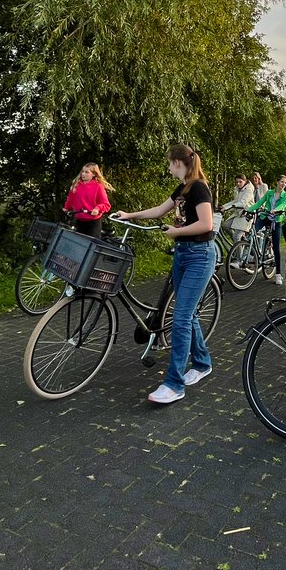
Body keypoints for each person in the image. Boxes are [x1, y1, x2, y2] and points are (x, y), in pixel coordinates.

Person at [114, 144, 214, 405]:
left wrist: (176, 232)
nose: (168, 168)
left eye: (170, 163)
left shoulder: (199, 187)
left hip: (199, 256)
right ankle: (202, 363)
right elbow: (159, 210)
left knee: (180, 318)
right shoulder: (182, 189)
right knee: (187, 315)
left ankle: (174, 384)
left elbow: (207, 224)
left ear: (179, 163)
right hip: (183, 254)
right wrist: (129, 215)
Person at [247, 174, 286, 285]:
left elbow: (283, 206)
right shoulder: (269, 193)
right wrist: (248, 210)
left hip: (276, 220)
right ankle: (250, 254)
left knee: (276, 247)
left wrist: (276, 210)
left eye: (285, 183)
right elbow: (259, 203)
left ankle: (278, 274)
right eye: (282, 182)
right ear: (277, 182)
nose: (283, 185)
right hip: (265, 217)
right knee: (252, 232)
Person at [65, 163, 113, 238]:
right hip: (79, 220)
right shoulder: (76, 185)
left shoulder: (98, 187)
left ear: (93, 174)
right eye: (82, 171)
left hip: (93, 221)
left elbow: (106, 204)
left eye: (87, 172)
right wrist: (66, 208)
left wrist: (97, 208)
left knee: (92, 244)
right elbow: (70, 200)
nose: (83, 174)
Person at [221, 174, 255, 243]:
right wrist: (224, 206)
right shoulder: (236, 189)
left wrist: (227, 209)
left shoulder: (249, 190)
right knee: (225, 225)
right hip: (238, 214)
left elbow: (242, 203)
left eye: (240, 182)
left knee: (236, 237)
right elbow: (235, 201)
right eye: (236, 182)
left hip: (247, 215)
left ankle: (238, 252)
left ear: (245, 181)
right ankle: (240, 242)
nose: (238, 184)